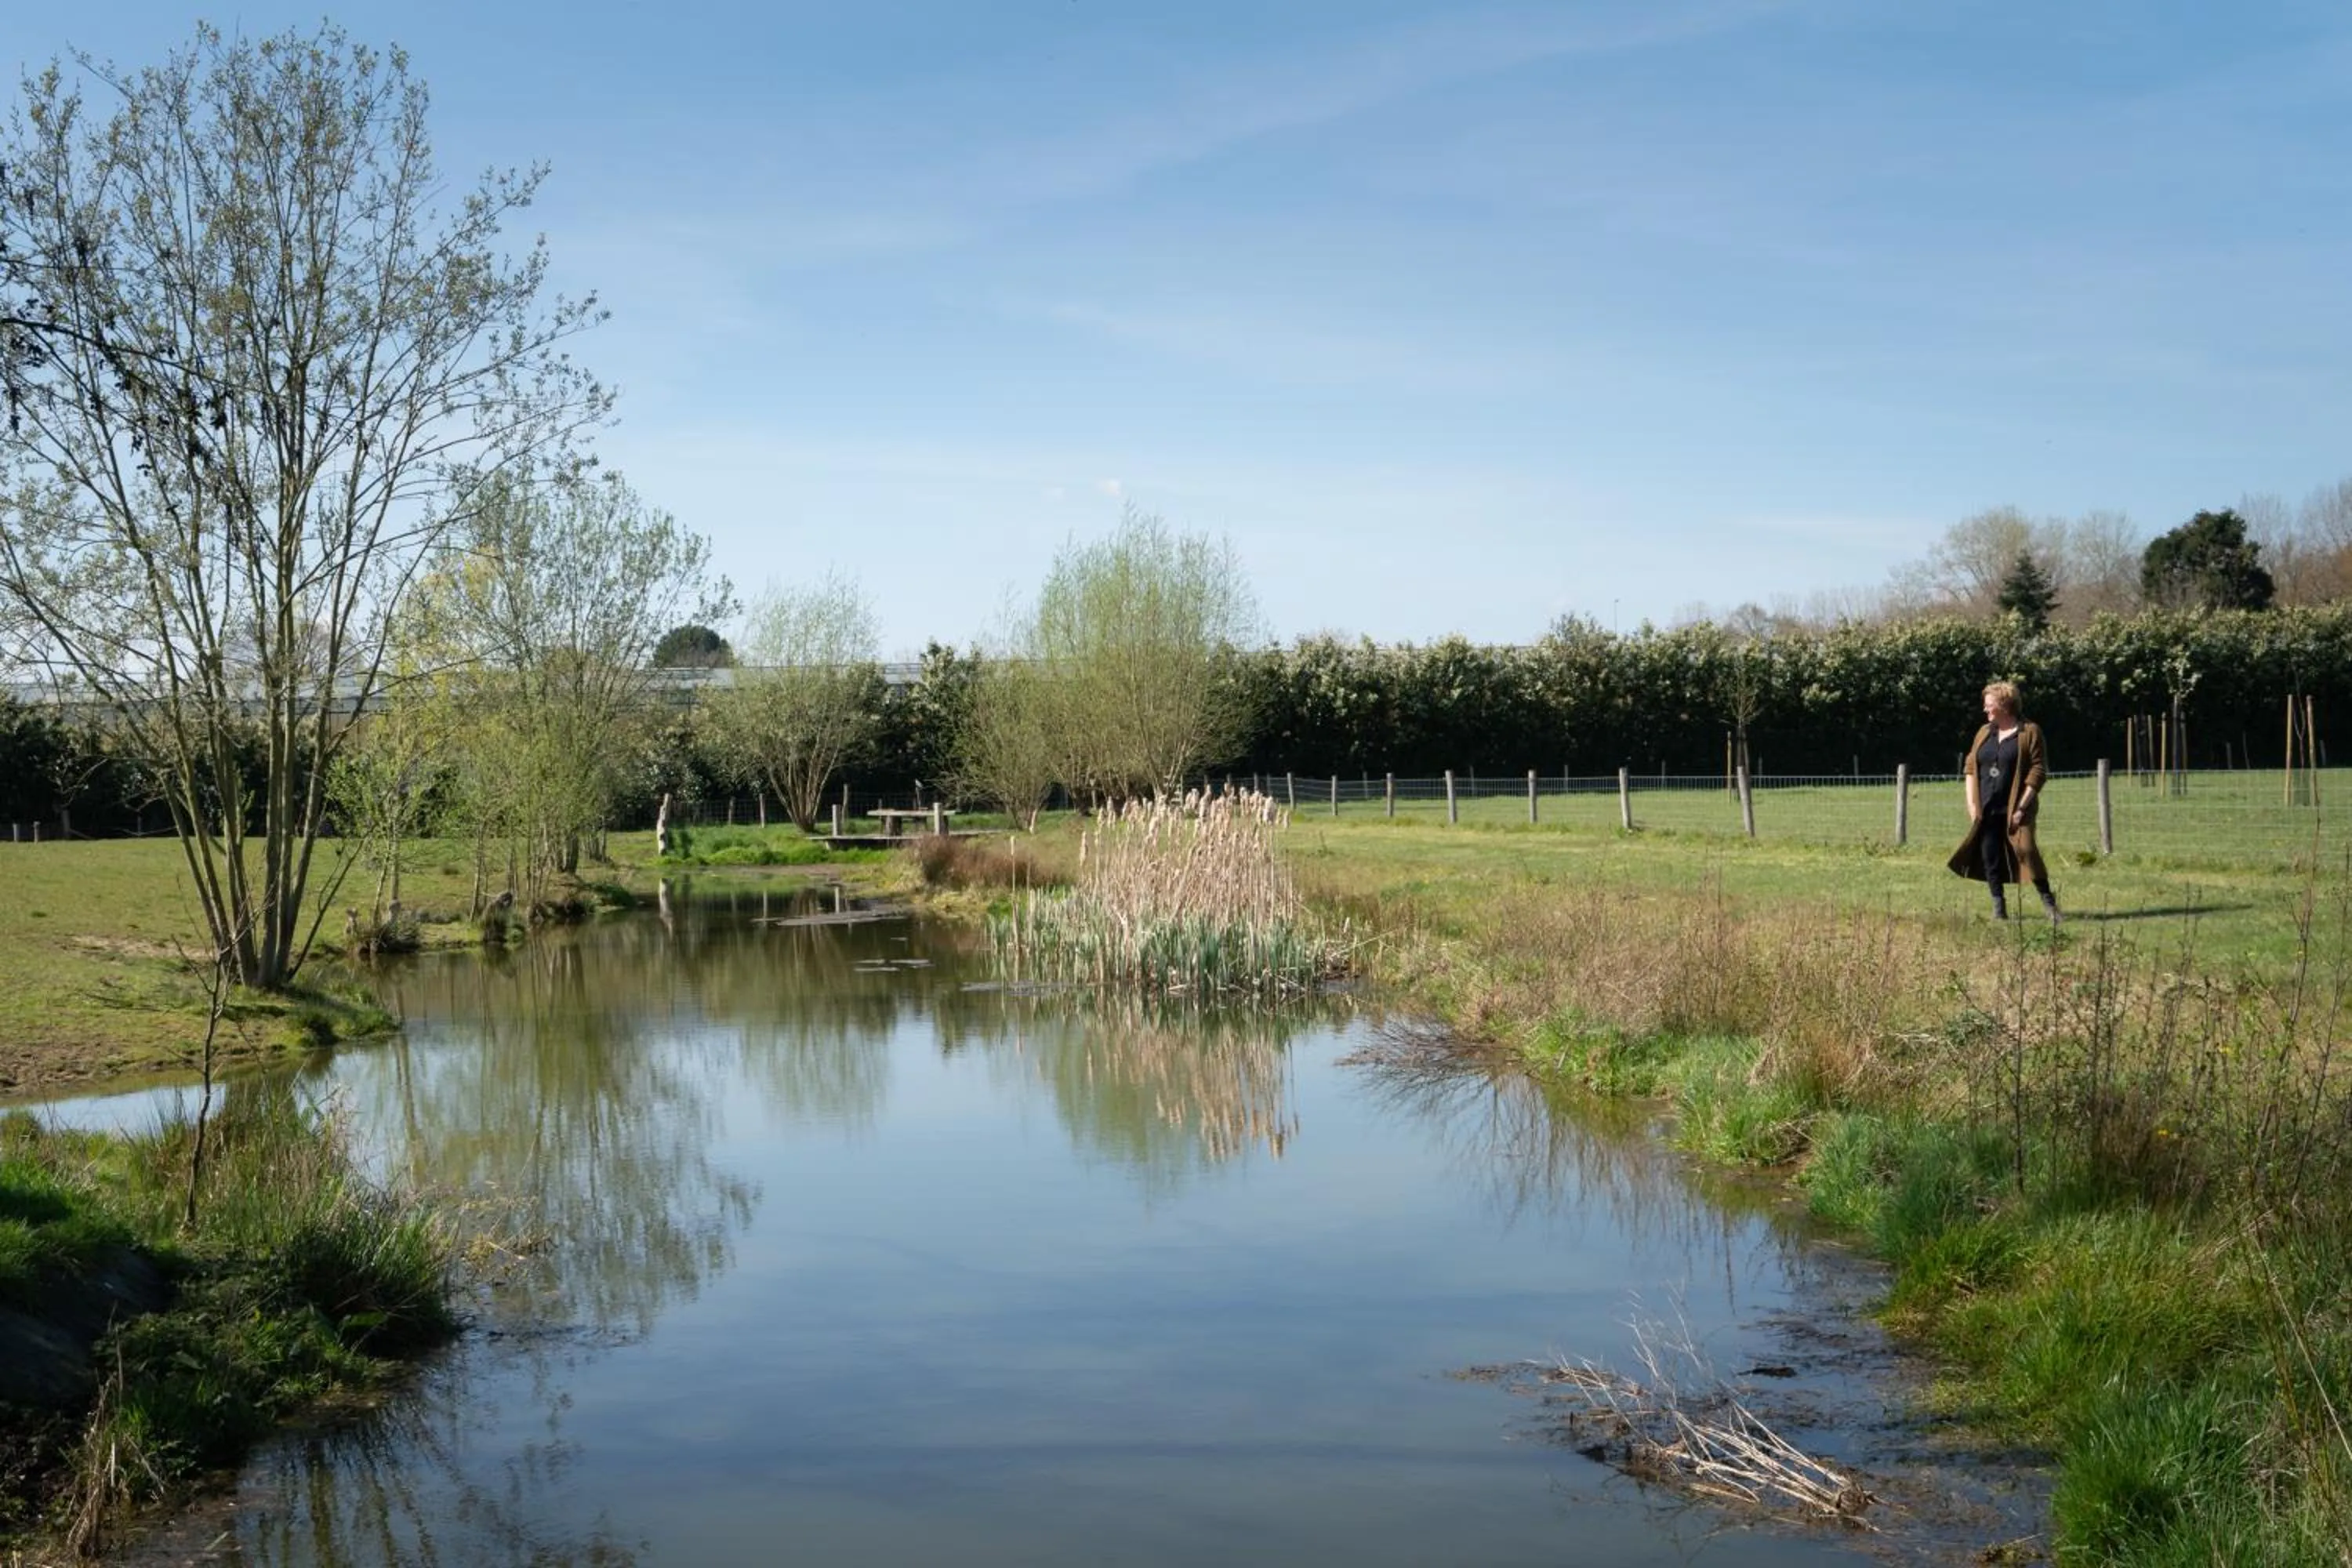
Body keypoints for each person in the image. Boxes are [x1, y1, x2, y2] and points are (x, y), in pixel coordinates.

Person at [1948, 681, 2060, 924]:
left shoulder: (2030, 731)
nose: (1985, 710)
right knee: (1990, 856)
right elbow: (1970, 767)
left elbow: (2038, 771)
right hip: (1987, 806)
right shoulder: (1984, 732)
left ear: (2005, 705)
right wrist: (1971, 804)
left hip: (2016, 807)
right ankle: (1999, 908)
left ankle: (2048, 901)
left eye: (1989, 705)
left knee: (2027, 850)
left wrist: (2021, 807)